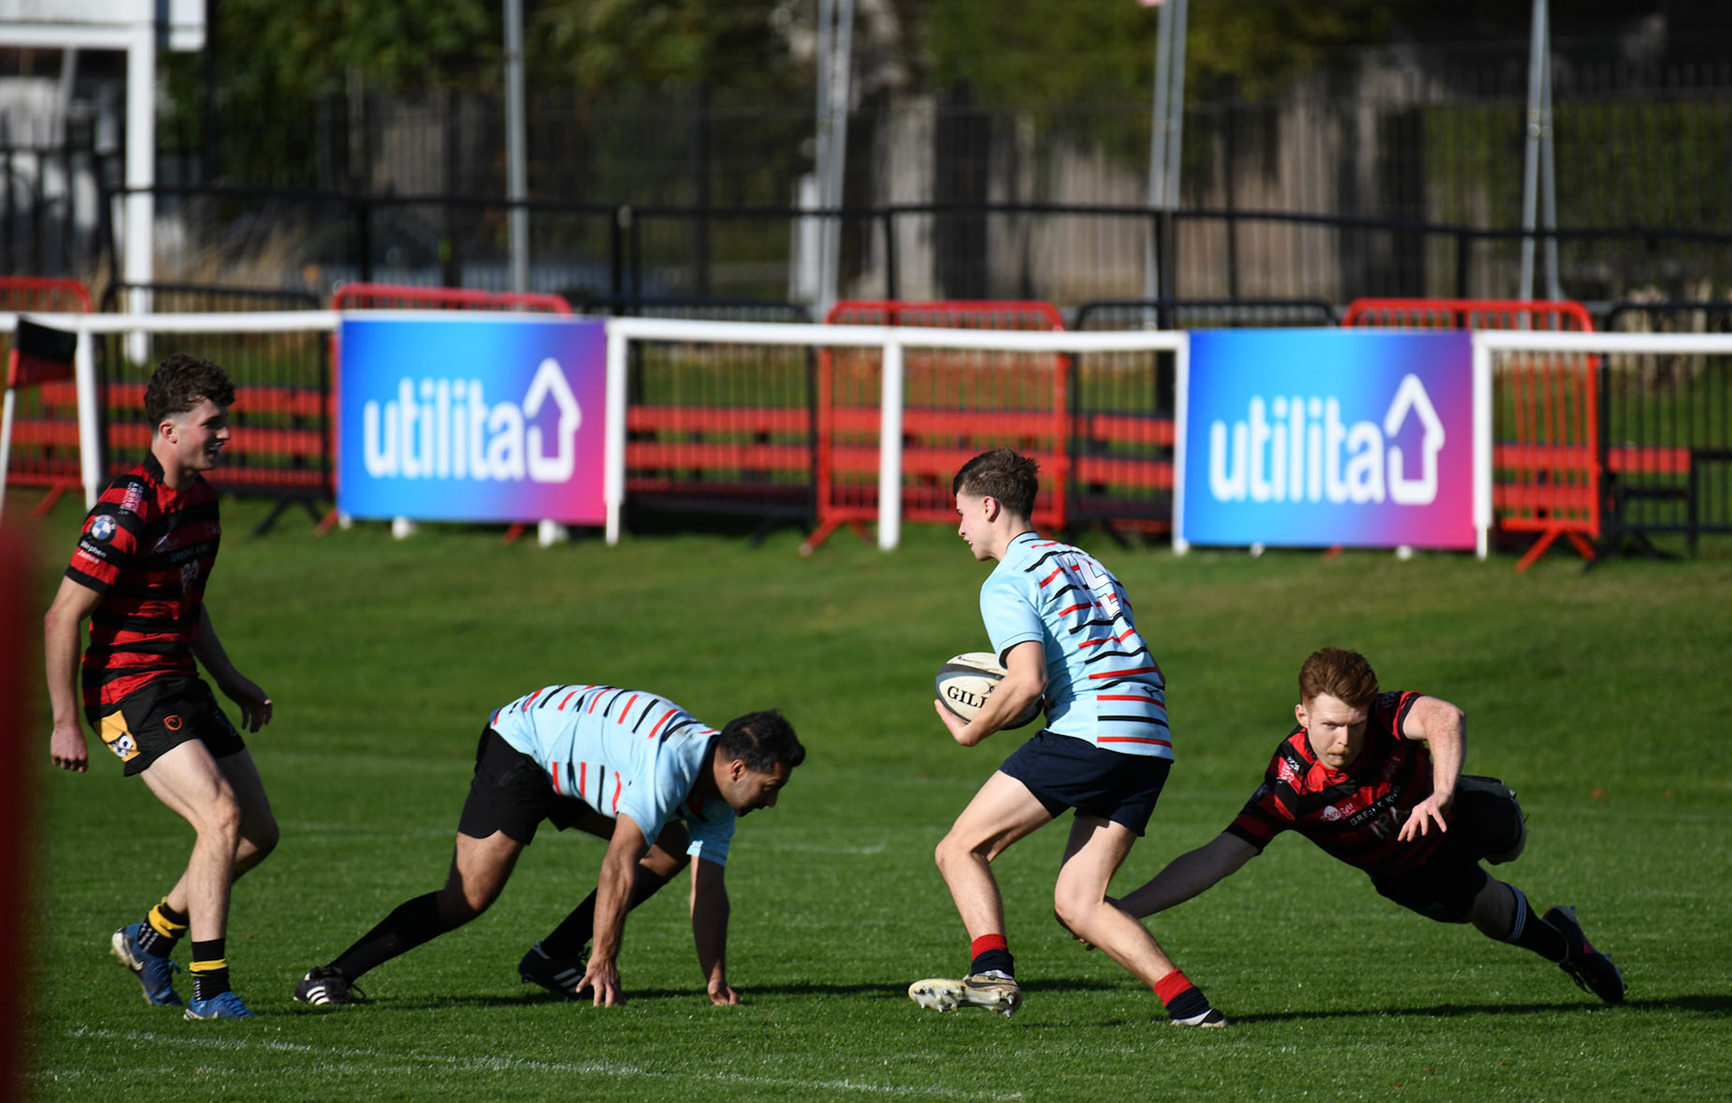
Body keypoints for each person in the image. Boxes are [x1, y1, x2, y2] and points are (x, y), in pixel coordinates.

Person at [1113, 647, 1625, 1005]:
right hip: (1410, 872)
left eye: (1353, 725)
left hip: (1450, 813)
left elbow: (1446, 717)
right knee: (1490, 912)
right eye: (1329, 725)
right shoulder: (1291, 787)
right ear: (1301, 714)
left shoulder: (1382, 716)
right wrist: (1121, 912)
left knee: (1503, 828)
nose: (1343, 739)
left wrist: (1442, 796)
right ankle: (1567, 945)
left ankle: (1488, 825)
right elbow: (1216, 857)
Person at [910, 448, 1224, 1027]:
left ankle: (992, 972)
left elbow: (1025, 682)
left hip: (1093, 731)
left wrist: (972, 730)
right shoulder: (1087, 562)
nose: (958, 528)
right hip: (1151, 738)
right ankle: (1192, 1009)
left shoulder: (1006, 580)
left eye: (961, 513)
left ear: (988, 505)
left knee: (958, 848)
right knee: (1079, 902)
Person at [294, 688, 803, 1007]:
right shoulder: (670, 763)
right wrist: (603, 959)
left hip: (577, 769)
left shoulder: (719, 799)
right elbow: (619, 860)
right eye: (770, 788)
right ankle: (329, 976)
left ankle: (550, 958)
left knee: (669, 847)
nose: (772, 802)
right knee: (468, 897)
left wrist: (715, 980)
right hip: (525, 746)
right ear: (737, 769)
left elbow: (708, 890)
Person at [44, 354, 278, 1020]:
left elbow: (188, 603)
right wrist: (64, 720)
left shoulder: (202, 500)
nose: (224, 435)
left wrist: (233, 681)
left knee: (258, 833)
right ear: (171, 430)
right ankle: (210, 990)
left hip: (179, 681)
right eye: (212, 423)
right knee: (220, 818)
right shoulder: (128, 504)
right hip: (126, 690)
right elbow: (62, 615)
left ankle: (151, 939)